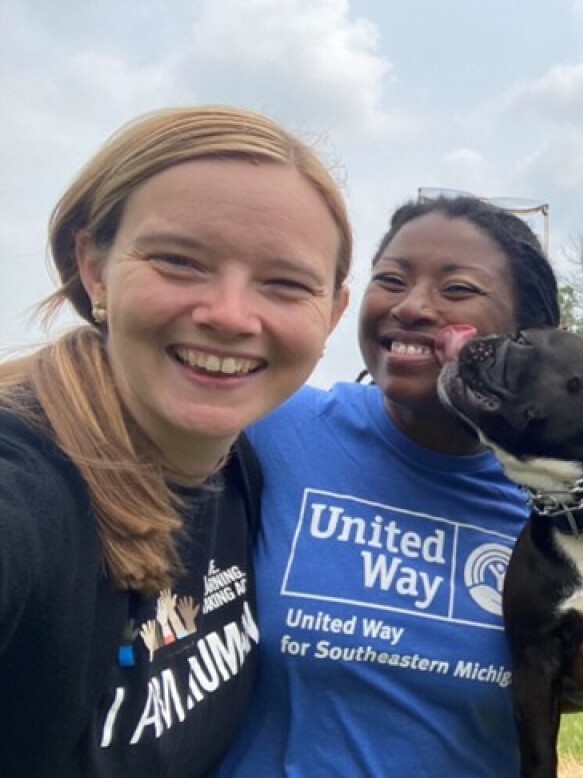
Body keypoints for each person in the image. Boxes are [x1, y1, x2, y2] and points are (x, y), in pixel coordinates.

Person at [0, 105, 351, 777]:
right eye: (179, 261)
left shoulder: (250, 466)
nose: (228, 314)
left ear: (332, 314)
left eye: (285, 283)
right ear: (95, 267)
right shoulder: (29, 486)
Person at [219, 195, 561, 776]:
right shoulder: (273, 428)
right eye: (391, 279)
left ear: (527, 336)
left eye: (457, 290)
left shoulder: (554, 505)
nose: (412, 306)